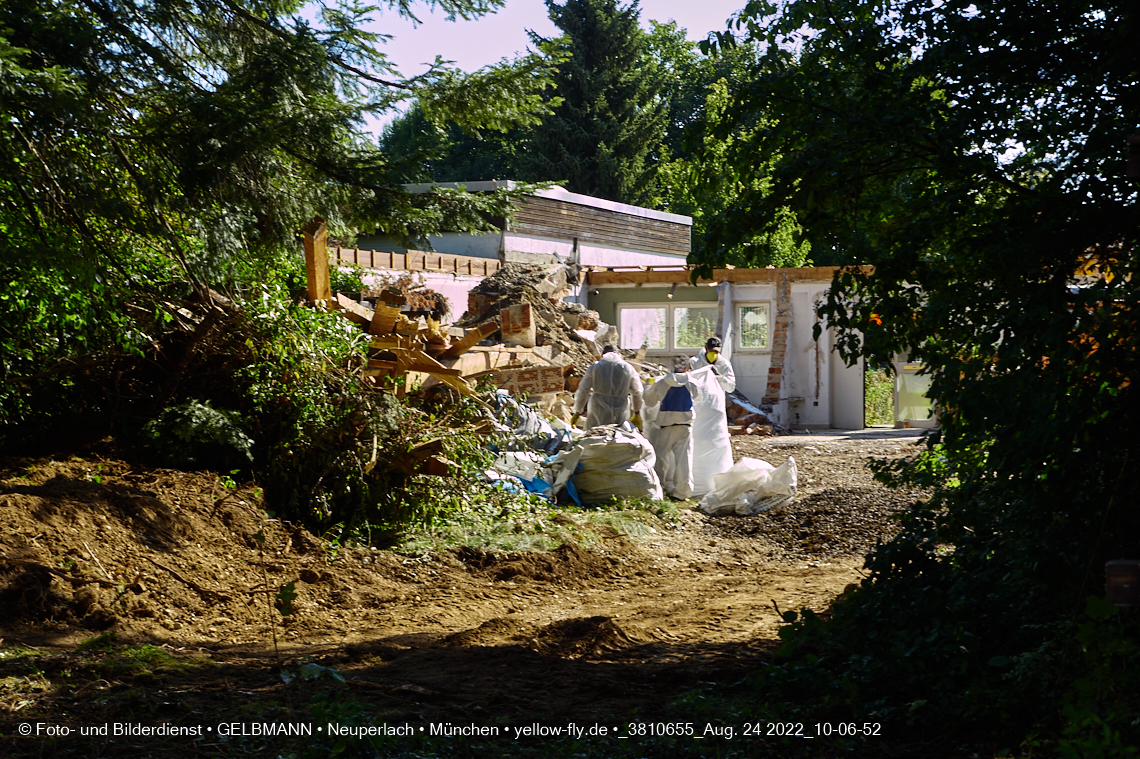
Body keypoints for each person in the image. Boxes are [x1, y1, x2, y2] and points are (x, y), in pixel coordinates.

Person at [687, 336, 736, 497]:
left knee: (716, 441)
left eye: (716, 352)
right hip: (699, 407)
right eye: (711, 351)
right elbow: (688, 380)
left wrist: (718, 377)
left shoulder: (723, 364)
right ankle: (695, 481)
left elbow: (731, 386)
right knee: (697, 440)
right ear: (705, 348)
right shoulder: (695, 362)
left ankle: (717, 481)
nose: (713, 354)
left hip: (715, 409)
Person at [642, 359, 693, 499]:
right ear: (688, 367)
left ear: (672, 366)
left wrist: (647, 386)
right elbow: (699, 398)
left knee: (660, 458)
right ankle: (683, 492)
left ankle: (659, 489)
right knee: (684, 460)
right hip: (685, 426)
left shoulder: (663, 382)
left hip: (667, 425)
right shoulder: (692, 382)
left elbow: (649, 401)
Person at [572, 345, 644, 430]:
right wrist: (636, 412)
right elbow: (637, 391)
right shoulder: (628, 368)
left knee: (594, 433)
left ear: (603, 354)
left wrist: (577, 411)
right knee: (619, 434)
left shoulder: (595, 367)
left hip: (597, 406)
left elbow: (583, 390)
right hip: (620, 406)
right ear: (619, 354)